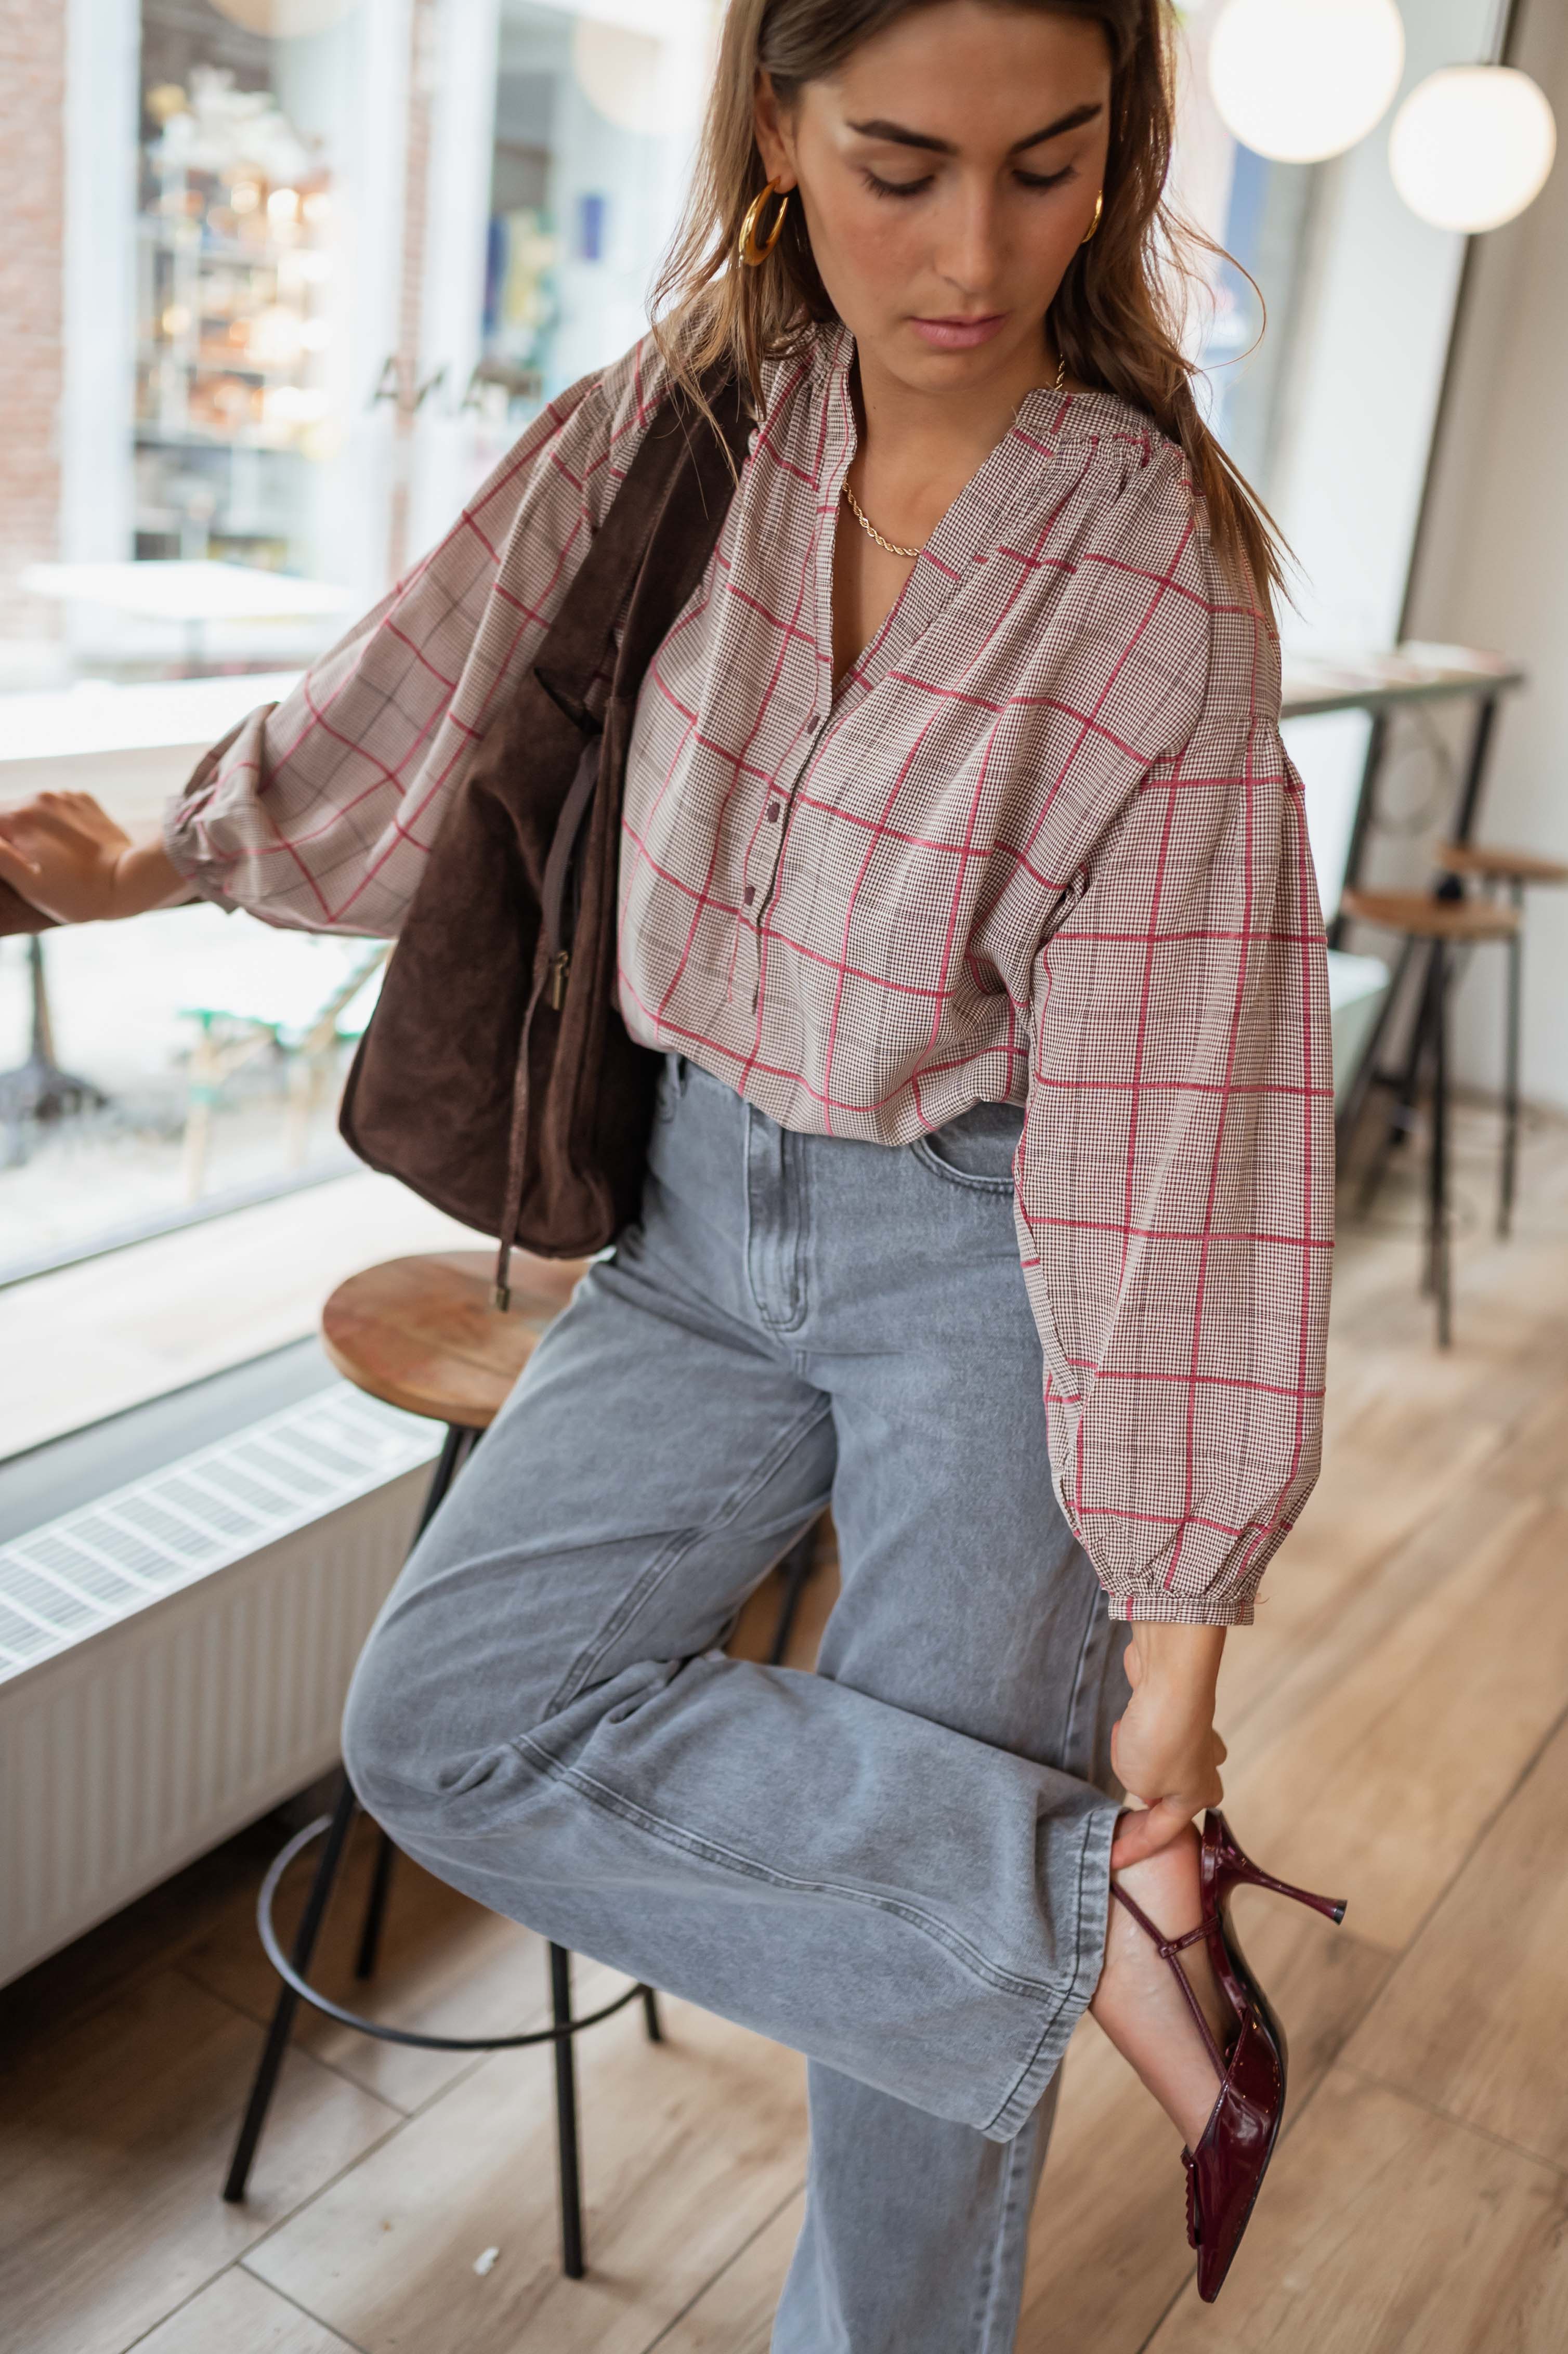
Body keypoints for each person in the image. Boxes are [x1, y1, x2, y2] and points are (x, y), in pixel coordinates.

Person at [0, 0, 1342, 2341]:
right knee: (452, 1723)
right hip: (697, 1220)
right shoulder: (680, 420)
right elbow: (414, 704)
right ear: (775, 119)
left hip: (992, 1264)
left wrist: (1177, 1656)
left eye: (1053, 164)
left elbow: (1182, 1126)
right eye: (899, 163)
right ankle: (1079, 1920)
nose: (977, 247)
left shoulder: (1151, 574)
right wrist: (141, 869)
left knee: (901, 2037)